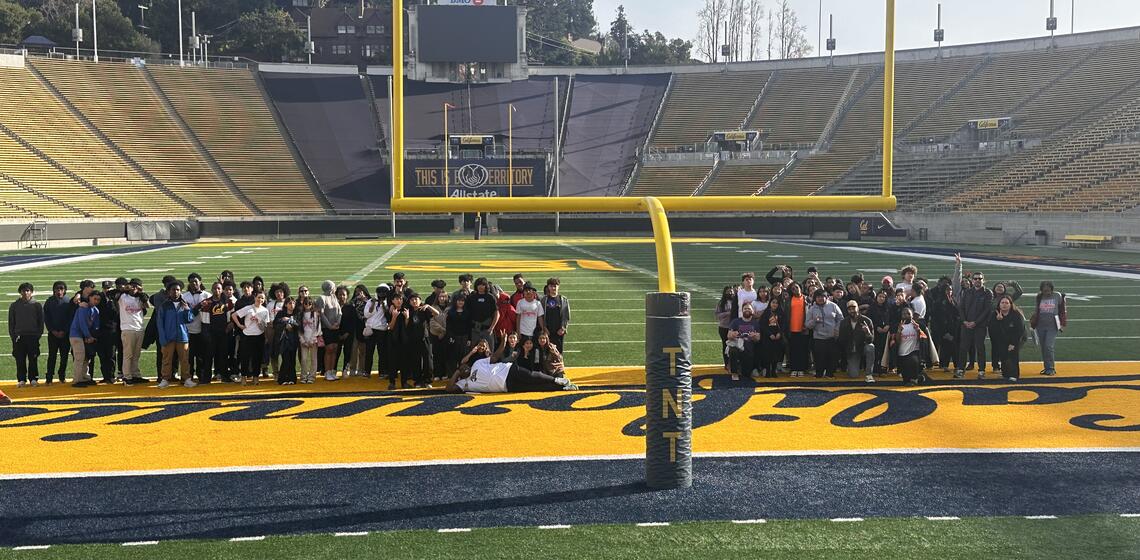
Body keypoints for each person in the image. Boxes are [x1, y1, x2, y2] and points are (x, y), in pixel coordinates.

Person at [446, 340, 578, 394]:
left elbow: (494, 357)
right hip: (506, 387)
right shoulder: (465, 383)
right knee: (535, 388)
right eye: (462, 370)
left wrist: (503, 343)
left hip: (508, 371)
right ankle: (562, 387)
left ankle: (557, 380)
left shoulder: (476, 363)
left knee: (531, 376)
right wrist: (457, 373)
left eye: (464, 367)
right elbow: (448, 389)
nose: (465, 369)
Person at [156, 281, 198, 389]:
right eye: (173, 290)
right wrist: (162, 338)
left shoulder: (184, 304)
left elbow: (189, 319)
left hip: (182, 336)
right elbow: (160, 323)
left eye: (178, 290)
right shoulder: (164, 305)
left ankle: (186, 379)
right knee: (166, 359)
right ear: (169, 292)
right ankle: (165, 379)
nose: (176, 292)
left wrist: (187, 310)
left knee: (185, 359)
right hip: (168, 336)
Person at [957, 270, 993, 379]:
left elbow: (987, 310)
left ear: (983, 280)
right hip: (966, 324)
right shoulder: (967, 292)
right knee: (963, 347)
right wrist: (964, 321)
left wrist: (975, 322)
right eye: (975, 278)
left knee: (980, 348)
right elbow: (961, 307)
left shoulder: (988, 293)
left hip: (980, 326)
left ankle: (981, 371)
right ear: (972, 280)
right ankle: (960, 369)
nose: (978, 280)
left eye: (980, 278)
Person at [9, 283, 44, 387]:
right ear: (20, 292)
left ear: (31, 292)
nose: (25, 293)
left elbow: (41, 322)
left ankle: (33, 378)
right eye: (23, 291)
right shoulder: (14, 305)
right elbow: (11, 323)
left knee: (33, 358)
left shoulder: (37, 305)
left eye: (28, 290)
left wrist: (38, 335)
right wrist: (13, 336)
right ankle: (21, 379)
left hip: (33, 336)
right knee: (20, 359)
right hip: (19, 336)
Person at [232, 291, 270, 386]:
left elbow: (265, 326)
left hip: (259, 336)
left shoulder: (265, 310)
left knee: (257, 358)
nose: (260, 300)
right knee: (245, 357)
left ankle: (256, 377)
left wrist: (258, 321)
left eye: (262, 298)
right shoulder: (248, 308)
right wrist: (239, 325)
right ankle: (244, 377)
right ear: (255, 297)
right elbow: (234, 315)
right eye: (259, 297)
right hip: (247, 336)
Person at [1030, 281, 1066, 376]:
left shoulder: (1057, 296)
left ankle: (1051, 368)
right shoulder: (1039, 297)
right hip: (1040, 325)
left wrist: (1062, 323)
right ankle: (1046, 368)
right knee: (1043, 347)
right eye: (1045, 291)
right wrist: (1033, 322)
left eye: (1049, 290)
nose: (1047, 293)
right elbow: (1037, 309)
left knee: (1048, 346)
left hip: (1052, 325)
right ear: (1041, 291)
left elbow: (1062, 310)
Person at [117, 279, 149, 385]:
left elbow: (147, 305)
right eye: (133, 286)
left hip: (139, 328)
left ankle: (135, 374)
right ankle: (127, 376)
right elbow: (112, 294)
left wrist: (142, 293)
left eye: (137, 286)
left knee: (136, 355)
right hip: (128, 329)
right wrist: (124, 289)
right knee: (128, 354)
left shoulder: (140, 298)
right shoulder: (123, 297)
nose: (135, 288)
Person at [203, 281, 236, 383]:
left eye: (219, 288)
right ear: (212, 290)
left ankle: (224, 376)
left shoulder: (228, 301)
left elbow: (233, 315)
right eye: (214, 288)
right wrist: (207, 332)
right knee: (208, 355)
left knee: (223, 355)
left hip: (224, 333)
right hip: (211, 332)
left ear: (222, 290)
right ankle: (206, 378)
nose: (216, 290)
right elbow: (204, 319)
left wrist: (230, 325)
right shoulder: (207, 302)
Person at [404, 292, 439, 388]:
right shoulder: (408, 311)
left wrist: (428, 306)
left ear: (420, 300)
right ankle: (418, 381)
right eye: (412, 300)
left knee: (428, 359)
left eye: (416, 299)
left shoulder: (424, 309)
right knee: (416, 360)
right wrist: (406, 318)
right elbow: (406, 326)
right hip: (413, 338)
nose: (414, 301)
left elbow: (437, 313)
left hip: (425, 337)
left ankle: (428, 380)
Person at [807, 289, 843, 378]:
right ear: (815, 298)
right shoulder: (812, 309)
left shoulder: (833, 306)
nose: (820, 299)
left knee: (832, 357)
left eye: (822, 297)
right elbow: (807, 324)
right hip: (819, 338)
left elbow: (841, 319)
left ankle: (829, 373)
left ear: (826, 297)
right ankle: (819, 374)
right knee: (819, 358)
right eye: (818, 297)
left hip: (832, 337)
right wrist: (815, 321)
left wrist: (837, 329)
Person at [68, 290, 101, 387]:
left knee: (86, 358)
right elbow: (82, 324)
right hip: (76, 335)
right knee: (79, 357)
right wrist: (88, 336)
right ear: (89, 298)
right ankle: (77, 379)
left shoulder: (95, 310)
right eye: (94, 299)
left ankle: (85, 377)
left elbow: (96, 325)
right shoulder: (82, 308)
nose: (96, 301)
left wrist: (92, 336)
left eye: (98, 300)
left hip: (85, 336)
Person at [839, 299, 877, 383]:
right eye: (849, 308)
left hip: (863, 347)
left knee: (870, 347)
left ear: (858, 308)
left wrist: (867, 332)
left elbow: (871, 340)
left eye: (854, 307)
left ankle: (869, 374)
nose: (852, 310)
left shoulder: (867, 321)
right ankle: (852, 366)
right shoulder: (844, 323)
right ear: (847, 310)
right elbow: (841, 341)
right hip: (851, 350)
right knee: (853, 375)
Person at [43, 281, 72, 384]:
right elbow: (46, 318)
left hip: (65, 334)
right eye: (57, 289)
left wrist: (64, 330)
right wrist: (53, 330)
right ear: (54, 290)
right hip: (53, 334)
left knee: (64, 356)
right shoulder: (49, 302)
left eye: (61, 289)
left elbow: (70, 318)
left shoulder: (69, 301)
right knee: (52, 356)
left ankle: (62, 376)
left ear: (64, 290)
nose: (59, 291)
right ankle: (49, 377)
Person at [183, 273, 210, 383]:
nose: (194, 284)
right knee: (189, 356)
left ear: (200, 282)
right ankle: (188, 376)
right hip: (188, 330)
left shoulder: (207, 295)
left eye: (196, 281)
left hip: (202, 329)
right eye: (191, 282)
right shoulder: (184, 296)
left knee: (201, 355)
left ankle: (201, 375)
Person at [992, 295, 1027, 381]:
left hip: (1016, 338)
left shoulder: (1016, 315)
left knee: (1012, 356)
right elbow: (993, 329)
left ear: (1011, 304)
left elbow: (1019, 331)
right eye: (1002, 303)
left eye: (1007, 303)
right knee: (1003, 355)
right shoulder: (995, 314)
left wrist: (1013, 343)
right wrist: (998, 321)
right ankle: (1005, 374)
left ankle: (1014, 375)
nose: (1004, 305)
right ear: (999, 304)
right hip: (1002, 339)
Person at [314, 280, 343, 382]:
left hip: (335, 327)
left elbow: (339, 311)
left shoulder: (334, 297)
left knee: (335, 348)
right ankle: (327, 371)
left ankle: (331, 371)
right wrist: (330, 326)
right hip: (327, 329)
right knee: (329, 349)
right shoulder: (322, 298)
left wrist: (337, 323)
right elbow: (321, 315)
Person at [891, 307, 927, 386]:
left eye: (908, 314)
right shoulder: (898, 326)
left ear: (912, 315)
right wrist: (899, 331)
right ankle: (918, 377)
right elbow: (897, 341)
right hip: (902, 353)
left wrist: (918, 330)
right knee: (905, 379)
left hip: (914, 351)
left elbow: (921, 340)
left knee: (913, 361)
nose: (906, 315)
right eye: (904, 314)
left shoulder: (917, 325)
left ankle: (914, 379)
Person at [726, 302, 761, 381]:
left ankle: (741, 368)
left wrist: (754, 336)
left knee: (746, 374)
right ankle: (734, 372)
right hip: (738, 347)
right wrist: (733, 334)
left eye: (749, 308)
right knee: (733, 350)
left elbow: (758, 338)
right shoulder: (735, 321)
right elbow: (728, 335)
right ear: (742, 311)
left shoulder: (755, 323)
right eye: (745, 308)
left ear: (752, 311)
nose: (747, 310)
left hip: (749, 349)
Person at [466, 278, 499, 351]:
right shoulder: (472, 297)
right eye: (479, 285)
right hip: (475, 329)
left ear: (486, 286)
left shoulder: (490, 297)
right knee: (474, 351)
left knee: (489, 351)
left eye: (483, 285)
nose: (480, 287)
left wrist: (491, 328)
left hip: (487, 329)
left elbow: (497, 313)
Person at [785, 283, 810, 377]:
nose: (795, 289)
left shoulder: (806, 299)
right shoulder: (788, 300)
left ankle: (802, 369)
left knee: (803, 350)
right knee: (793, 350)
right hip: (792, 329)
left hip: (803, 329)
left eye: (796, 287)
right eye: (793, 288)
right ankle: (794, 368)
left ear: (800, 288)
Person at [540, 277, 570, 353]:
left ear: (558, 286)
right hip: (548, 331)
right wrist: (544, 328)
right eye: (551, 286)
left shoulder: (563, 299)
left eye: (555, 286)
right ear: (548, 287)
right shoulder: (544, 300)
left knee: (558, 352)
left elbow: (566, 315)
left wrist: (563, 328)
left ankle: (559, 365)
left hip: (559, 331)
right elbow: (541, 315)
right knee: (547, 352)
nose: (553, 288)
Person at [274, 298, 299, 385]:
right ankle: (282, 379)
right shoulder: (281, 313)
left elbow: (300, 325)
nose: (291, 305)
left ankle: (292, 378)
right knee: (285, 358)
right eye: (289, 303)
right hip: (284, 340)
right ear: (285, 305)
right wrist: (284, 324)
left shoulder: (297, 313)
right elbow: (275, 324)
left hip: (294, 339)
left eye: (293, 303)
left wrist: (292, 324)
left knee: (292, 359)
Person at [298, 296, 323, 384]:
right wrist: (303, 340)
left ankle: (312, 376)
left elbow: (317, 328)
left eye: (310, 303)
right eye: (306, 303)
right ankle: (303, 376)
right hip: (304, 341)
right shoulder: (300, 314)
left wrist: (312, 340)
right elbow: (299, 329)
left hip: (313, 341)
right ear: (303, 304)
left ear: (312, 304)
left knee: (313, 359)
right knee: (304, 359)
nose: (307, 305)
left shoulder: (315, 314)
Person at [715, 285, 737, 373]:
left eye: (731, 291)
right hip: (724, 327)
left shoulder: (736, 301)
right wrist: (728, 313)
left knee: (735, 345)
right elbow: (717, 315)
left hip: (734, 327)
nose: (730, 293)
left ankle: (734, 364)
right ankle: (726, 363)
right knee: (725, 345)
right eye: (728, 291)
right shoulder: (721, 303)